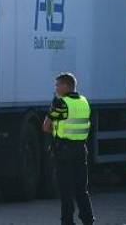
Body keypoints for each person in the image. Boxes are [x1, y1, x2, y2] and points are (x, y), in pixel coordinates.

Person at [42, 73, 95, 225]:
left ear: (66, 86)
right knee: (81, 190)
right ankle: (88, 221)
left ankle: (67, 222)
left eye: (58, 85)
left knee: (66, 191)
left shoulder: (61, 103)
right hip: (80, 150)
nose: (56, 88)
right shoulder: (84, 101)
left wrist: (52, 108)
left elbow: (45, 127)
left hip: (64, 151)